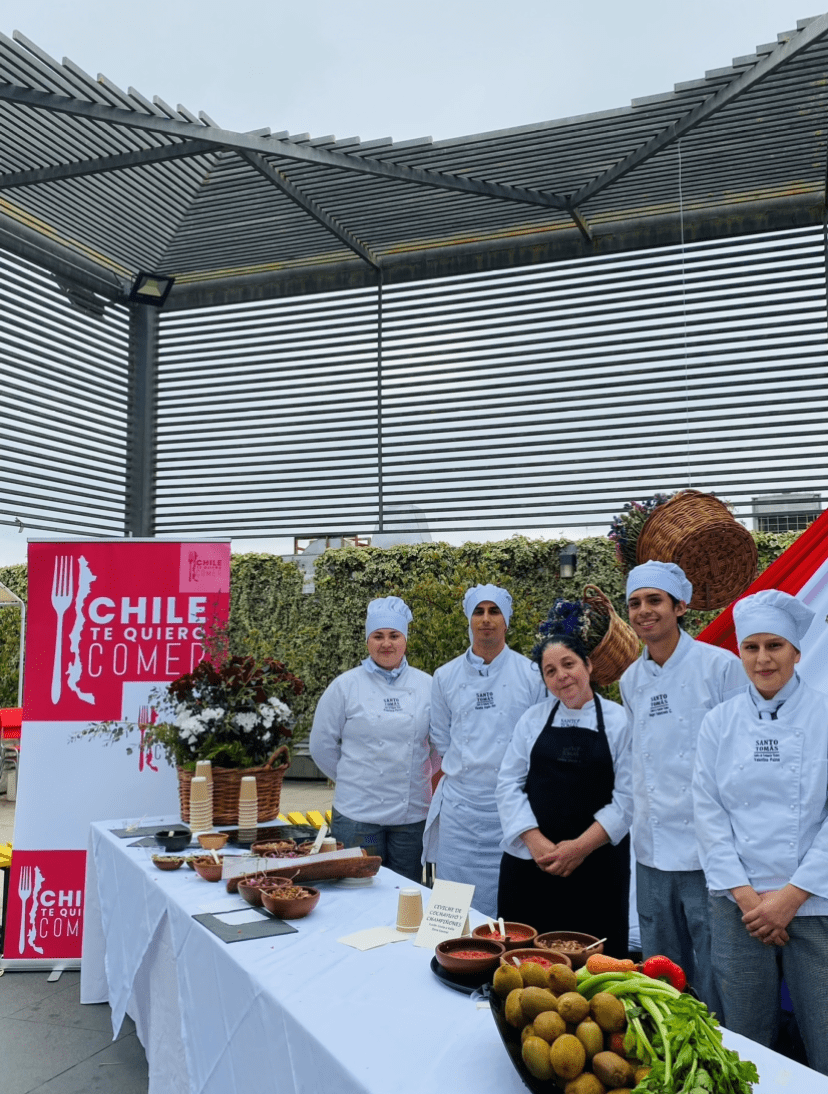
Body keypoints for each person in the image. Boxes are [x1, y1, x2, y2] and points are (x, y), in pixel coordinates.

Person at [693, 589, 828, 1075]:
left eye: (775, 646)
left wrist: (790, 898)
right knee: (745, 1041)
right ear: (740, 653)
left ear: (796, 652)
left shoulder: (826, 716)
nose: (763, 658)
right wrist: (751, 901)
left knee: (825, 1037)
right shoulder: (718, 723)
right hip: (739, 906)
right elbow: (708, 815)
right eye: (752, 647)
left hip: (813, 904)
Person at [620, 560, 745, 1012]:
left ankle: (721, 1053)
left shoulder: (720, 667)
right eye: (635, 603)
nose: (643, 611)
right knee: (660, 970)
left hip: (704, 850)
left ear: (681, 606)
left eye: (654, 600)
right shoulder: (630, 680)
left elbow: (739, 757)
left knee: (716, 967)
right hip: (652, 847)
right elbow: (638, 762)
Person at [496, 633, 633, 955]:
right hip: (533, 865)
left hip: (597, 865)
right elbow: (507, 783)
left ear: (587, 664)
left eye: (568, 664)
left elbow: (629, 797)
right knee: (525, 965)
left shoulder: (620, 721)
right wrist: (535, 841)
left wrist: (580, 848)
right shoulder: (532, 719)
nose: (561, 676)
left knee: (594, 969)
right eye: (550, 671)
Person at [424, 583, 546, 917]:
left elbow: (538, 741)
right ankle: (452, 962)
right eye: (479, 611)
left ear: (506, 621)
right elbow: (441, 737)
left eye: (494, 612)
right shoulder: (445, 676)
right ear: (469, 619)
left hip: (511, 811)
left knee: (512, 907)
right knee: (454, 908)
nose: (486, 619)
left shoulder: (532, 674)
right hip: (460, 813)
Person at [309, 595, 433, 882]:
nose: (386, 643)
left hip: (411, 815)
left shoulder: (427, 686)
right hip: (357, 815)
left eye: (394, 635)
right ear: (367, 641)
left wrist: (418, 774)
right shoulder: (345, 686)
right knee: (357, 889)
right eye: (378, 636)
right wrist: (354, 778)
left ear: (405, 640)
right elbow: (321, 745)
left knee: (408, 893)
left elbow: (437, 747)